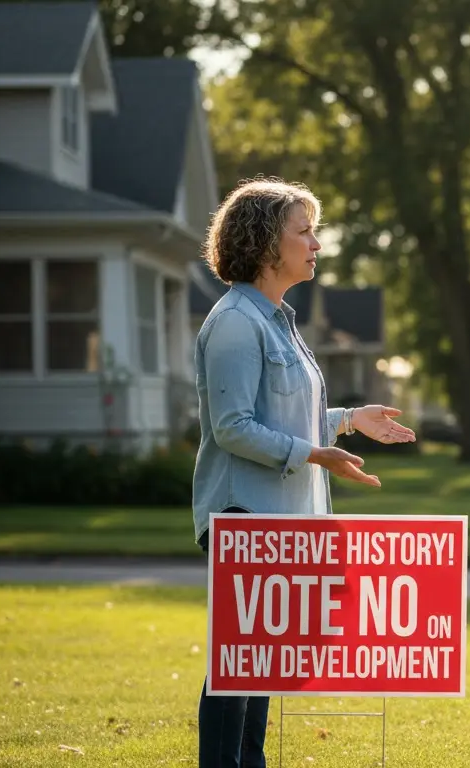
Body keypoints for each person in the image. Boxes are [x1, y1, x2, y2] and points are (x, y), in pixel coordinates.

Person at [192, 177, 416, 768]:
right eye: (304, 231)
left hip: (285, 519)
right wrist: (317, 455)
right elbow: (233, 427)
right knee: (236, 667)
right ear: (268, 244)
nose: (315, 243)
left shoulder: (278, 319)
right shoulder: (237, 322)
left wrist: (348, 420)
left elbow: (289, 414)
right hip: (244, 516)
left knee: (261, 663)